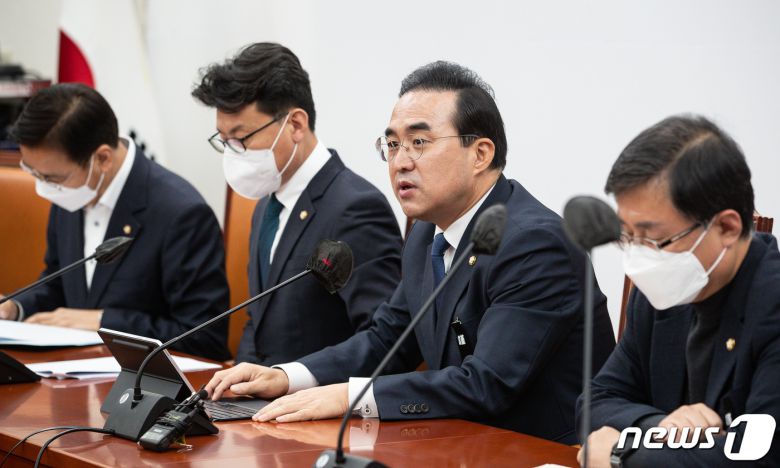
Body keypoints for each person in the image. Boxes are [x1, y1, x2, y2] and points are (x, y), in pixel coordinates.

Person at [204, 61, 615, 443]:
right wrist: (288, 377)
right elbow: (387, 339)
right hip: (459, 446)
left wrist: (350, 396)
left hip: (539, 453)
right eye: (392, 144)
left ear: (480, 154)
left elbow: (486, 383)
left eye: (418, 142)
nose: (400, 161)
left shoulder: (535, 244)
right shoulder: (426, 237)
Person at [577, 115, 780, 467]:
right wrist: (660, 428)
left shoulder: (772, 304)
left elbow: (760, 455)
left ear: (727, 227)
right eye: (628, 236)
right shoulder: (660, 294)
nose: (638, 258)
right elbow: (594, 402)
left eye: (653, 238)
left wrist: (623, 452)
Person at [192, 43, 402, 366]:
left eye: (241, 138)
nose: (233, 152)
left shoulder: (356, 209)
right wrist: (238, 384)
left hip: (318, 396)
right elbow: (257, 322)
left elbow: (386, 344)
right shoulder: (266, 205)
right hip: (260, 396)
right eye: (224, 141)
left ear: (296, 125)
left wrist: (292, 378)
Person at [0, 83, 231, 361]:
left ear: (102, 159)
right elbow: (59, 283)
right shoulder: (71, 191)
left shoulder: (181, 213)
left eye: (51, 178)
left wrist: (104, 322)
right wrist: (14, 307)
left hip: (140, 380)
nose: (43, 187)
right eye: (33, 173)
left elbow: (203, 338)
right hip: (69, 370)